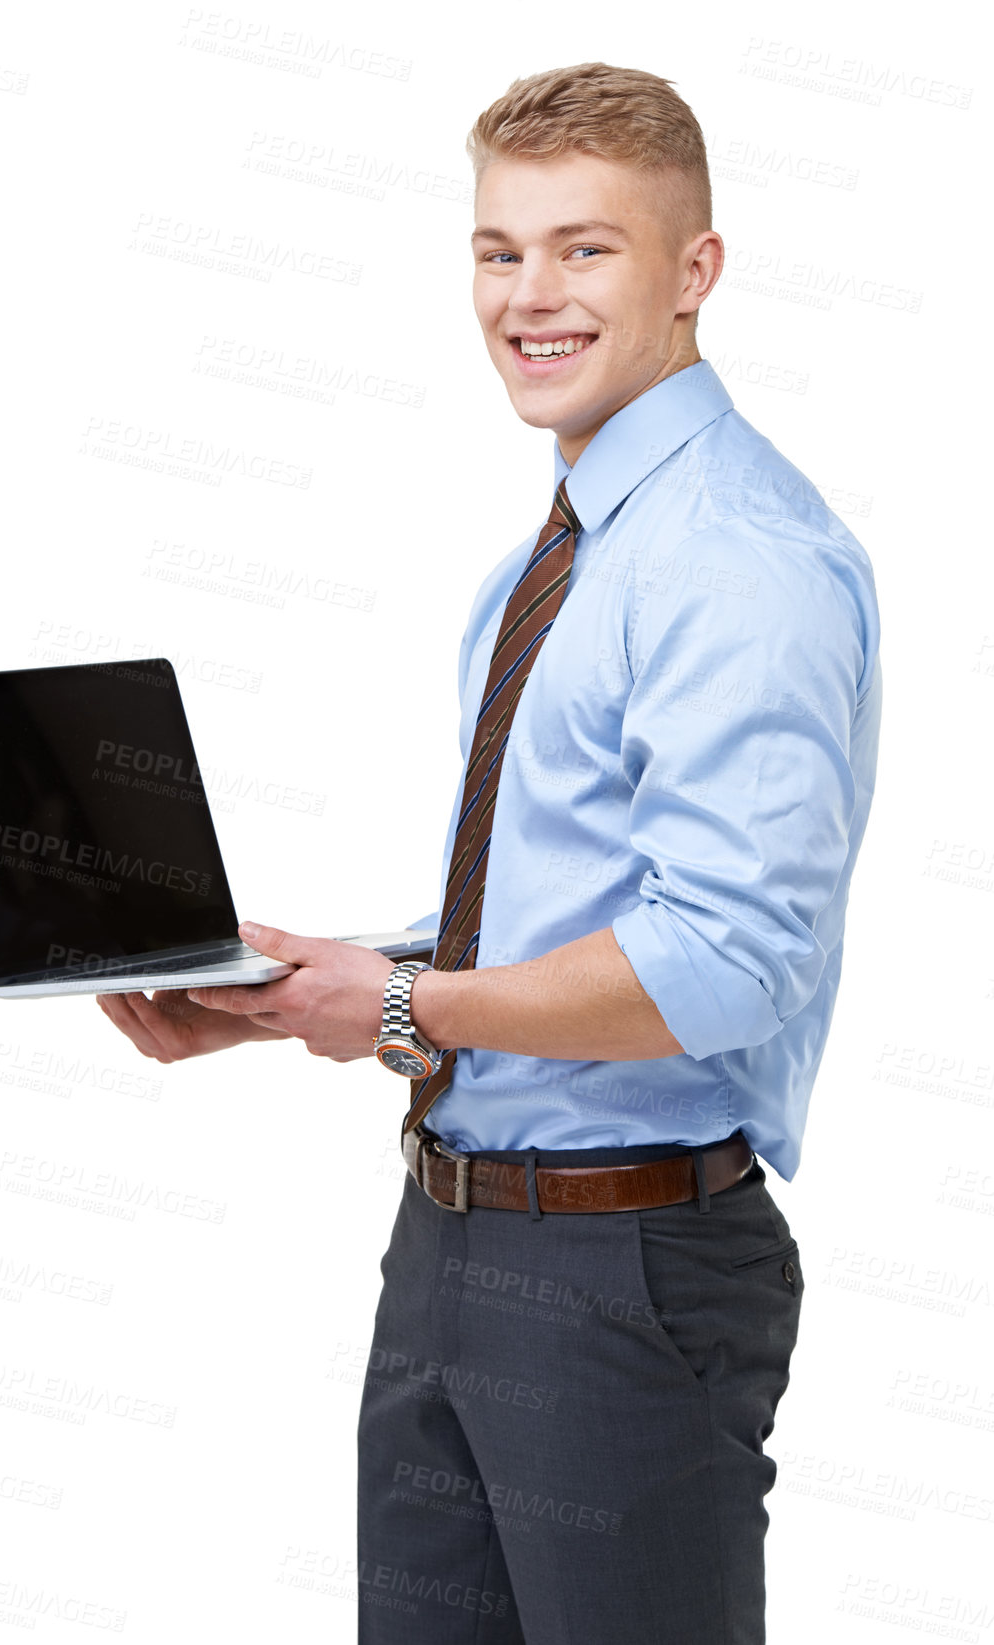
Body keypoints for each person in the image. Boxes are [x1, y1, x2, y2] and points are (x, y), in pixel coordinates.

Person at [98, 60, 881, 1645]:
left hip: (623, 1265)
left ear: (693, 271)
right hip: (456, 1237)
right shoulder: (568, 548)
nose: (529, 295)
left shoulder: (734, 556)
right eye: (496, 249)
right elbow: (554, 910)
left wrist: (396, 1014)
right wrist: (298, 979)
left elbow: (726, 960)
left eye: (584, 248)